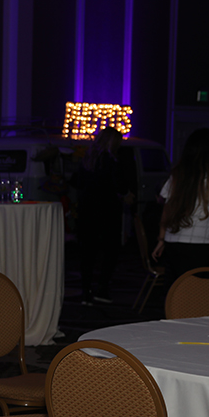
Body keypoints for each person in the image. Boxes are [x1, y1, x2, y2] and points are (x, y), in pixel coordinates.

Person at [152, 127, 209, 280]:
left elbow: (167, 207)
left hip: (173, 242)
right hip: (201, 244)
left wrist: (161, 238)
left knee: (179, 288)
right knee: (206, 289)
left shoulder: (179, 172)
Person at [71, 126, 127, 304]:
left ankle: (86, 291)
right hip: (107, 212)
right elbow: (119, 186)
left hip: (87, 211)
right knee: (111, 251)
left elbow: (78, 183)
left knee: (88, 253)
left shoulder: (87, 159)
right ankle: (102, 288)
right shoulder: (111, 161)